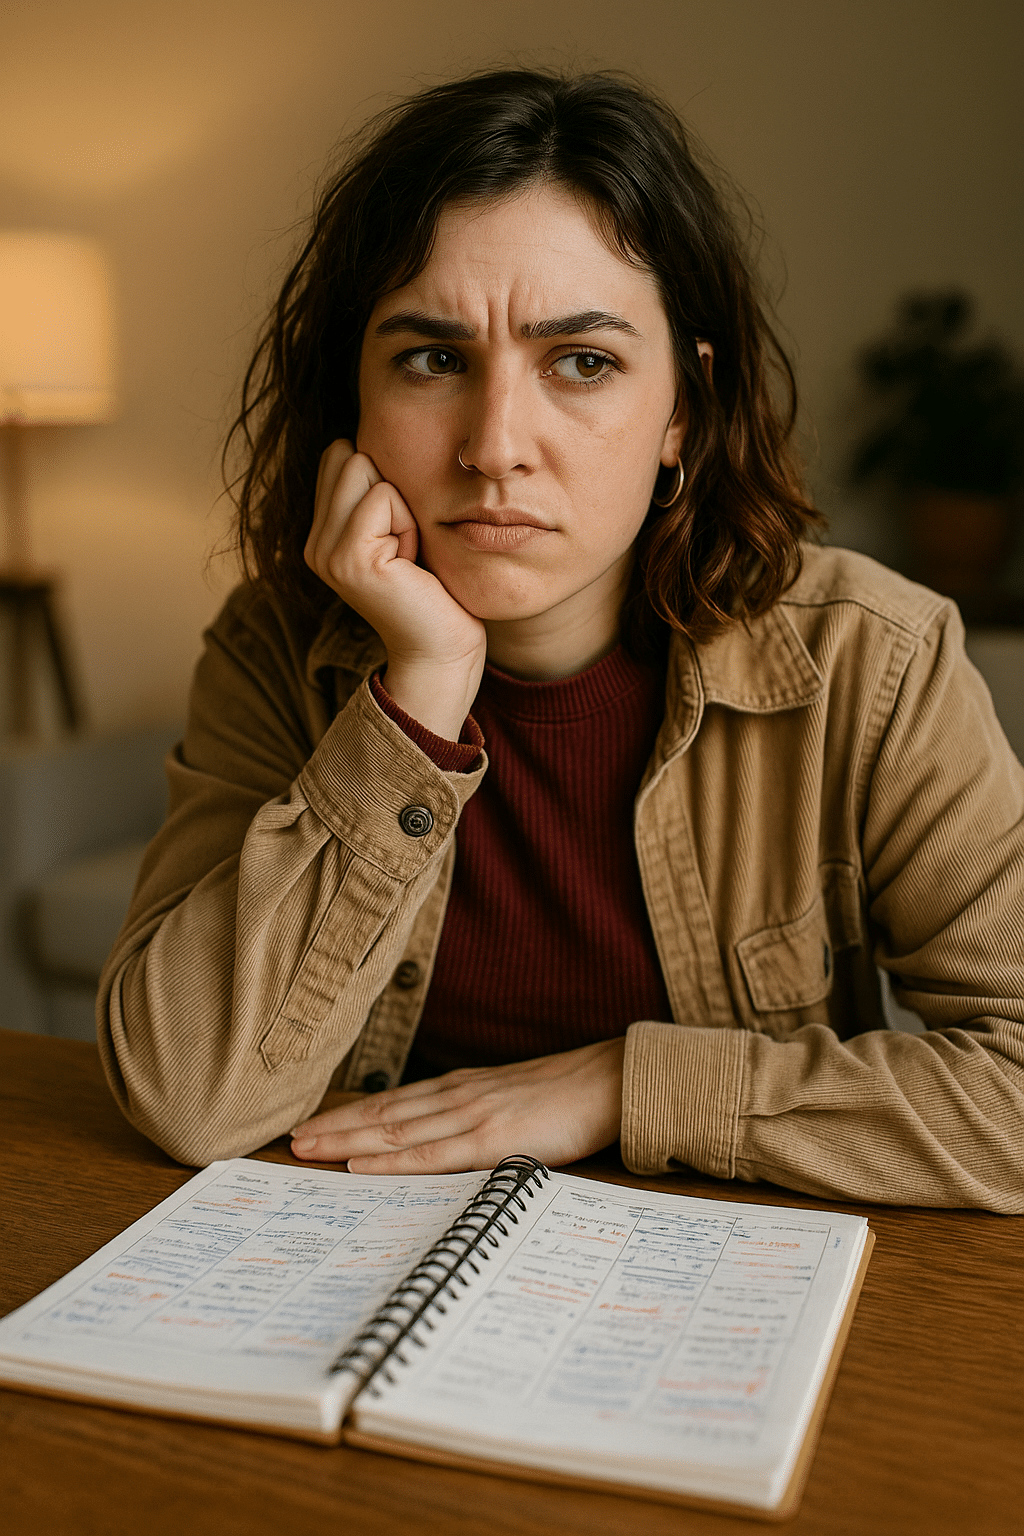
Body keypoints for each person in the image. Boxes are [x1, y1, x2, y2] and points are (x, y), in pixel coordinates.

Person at [97, 68, 1024, 1210]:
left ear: (683, 409)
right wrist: (416, 697)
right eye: (432, 358)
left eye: (581, 361)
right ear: (355, 399)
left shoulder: (873, 665)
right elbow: (189, 1097)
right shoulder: (273, 649)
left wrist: (623, 1085)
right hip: (367, 1270)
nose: (495, 444)